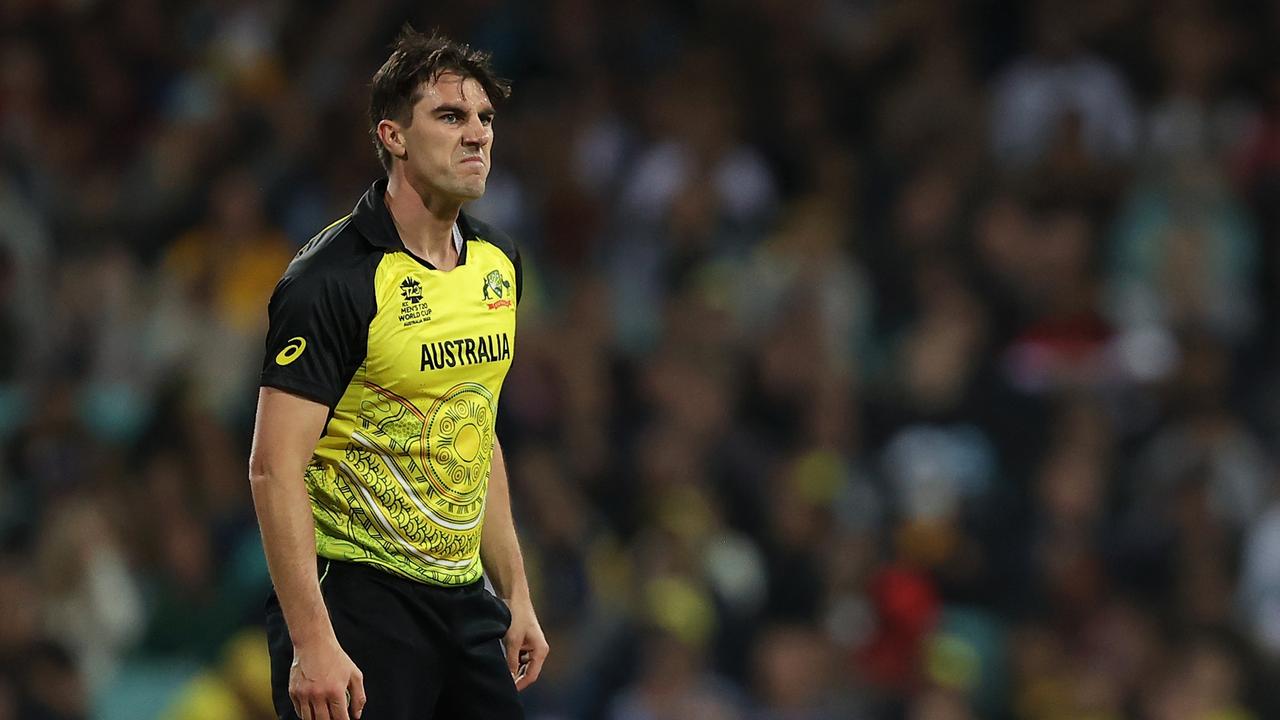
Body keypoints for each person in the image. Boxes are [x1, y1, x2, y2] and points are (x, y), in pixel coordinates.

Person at [248, 28, 548, 720]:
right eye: (451, 116)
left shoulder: (499, 264)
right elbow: (273, 468)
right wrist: (312, 640)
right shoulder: (331, 280)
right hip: (357, 602)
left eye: (485, 119)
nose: (477, 135)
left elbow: (476, 426)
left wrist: (516, 591)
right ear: (394, 136)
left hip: (463, 600)